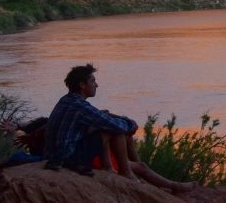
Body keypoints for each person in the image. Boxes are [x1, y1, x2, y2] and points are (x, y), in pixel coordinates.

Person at [42, 63, 196, 194]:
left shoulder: (67, 100)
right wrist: (130, 123)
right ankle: (125, 173)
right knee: (113, 130)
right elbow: (114, 126)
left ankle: (169, 185)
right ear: (82, 85)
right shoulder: (79, 106)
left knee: (106, 127)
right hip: (68, 157)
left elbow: (99, 115)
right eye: (93, 81)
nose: (96, 85)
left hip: (55, 154)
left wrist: (121, 118)